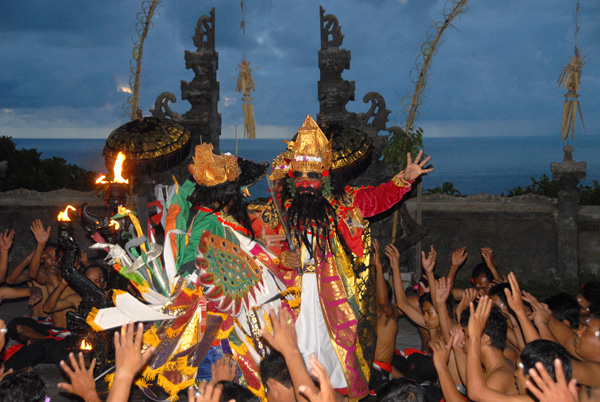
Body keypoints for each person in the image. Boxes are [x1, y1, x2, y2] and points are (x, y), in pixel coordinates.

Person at [262, 115, 433, 399]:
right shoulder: (278, 209)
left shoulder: (345, 203)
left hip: (334, 296)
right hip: (293, 297)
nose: (305, 182)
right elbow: (264, 249)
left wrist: (404, 180)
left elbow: (378, 198)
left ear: (325, 177)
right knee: (292, 354)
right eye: (300, 175)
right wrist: (283, 259)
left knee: (333, 357)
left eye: (313, 176)